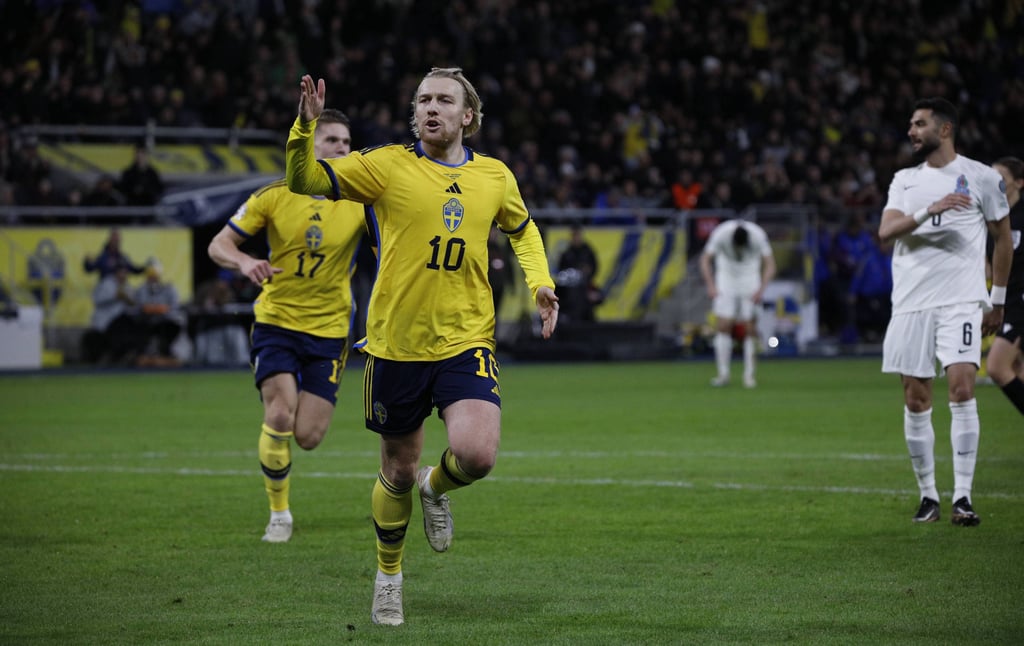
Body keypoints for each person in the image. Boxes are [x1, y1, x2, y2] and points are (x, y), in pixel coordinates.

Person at [287, 68, 559, 626]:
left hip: (466, 337)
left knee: (478, 455)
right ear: (415, 114)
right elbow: (306, 182)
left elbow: (523, 228)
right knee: (397, 468)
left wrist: (541, 283)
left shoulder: (494, 176)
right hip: (396, 345)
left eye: (444, 100)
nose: (431, 108)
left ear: (468, 117)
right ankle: (389, 577)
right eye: (423, 100)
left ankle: (437, 487)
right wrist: (303, 128)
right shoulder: (385, 166)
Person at [208, 108, 369, 543]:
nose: (341, 149)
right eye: (332, 140)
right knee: (279, 413)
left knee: (309, 436)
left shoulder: (358, 203)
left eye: (346, 143)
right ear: (310, 146)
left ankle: (282, 481)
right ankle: (279, 514)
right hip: (276, 320)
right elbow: (219, 243)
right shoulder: (274, 195)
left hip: (331, 328)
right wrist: (244, 262)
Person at [878, 98, 1012, 526]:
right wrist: (927, 211)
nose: (912, 132)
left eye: (919, 124)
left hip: (960, 300)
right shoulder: (905, 180)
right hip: (912, 303)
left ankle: (964, 498)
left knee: (961, 388)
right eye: (910, 125)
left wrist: (998, 299)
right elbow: (886, 231)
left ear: (945, 128)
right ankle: (928, 496)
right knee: (916, 398)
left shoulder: (982, 178)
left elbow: (1003, 240)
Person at [699, 218, 776, 388]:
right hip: (726, 277)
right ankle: (723, 375)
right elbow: (705, 259)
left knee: (750, 327)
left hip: (750, 278)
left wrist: (761, 289)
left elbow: (770, 264)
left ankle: (749, 376)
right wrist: (711, 285)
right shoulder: (720, 234)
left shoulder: (758, 235)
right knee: (724, 325)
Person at [985, 156, 1024, 415]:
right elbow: (990, 268)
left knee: (997, 367)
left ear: (1019, 183)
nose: (994, 184)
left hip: (1020, 303)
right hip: (1005, 302)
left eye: (1001, 179)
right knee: (1019, 371)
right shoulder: (993, 219)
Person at [133, 260, 184, 367]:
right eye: (150, 275)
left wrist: (159, 309)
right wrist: (155, 309)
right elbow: (139, 308)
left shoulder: (168, 288)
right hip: (146, 323)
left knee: (172, 326)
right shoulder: (141, 290)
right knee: (138, 327)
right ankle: (142, 354)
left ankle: (166, 353)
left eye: (154, 275)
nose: (152, 278)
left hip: (164, 323)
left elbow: (174, 307)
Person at [556, 222, 600, 323]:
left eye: (578, 234)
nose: (576, 237)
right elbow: (561, 271)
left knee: (593, 298)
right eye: (574, 235)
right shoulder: (567, 252)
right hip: (568, 290)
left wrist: (587, 273)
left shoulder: (587, 251)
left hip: (584, 287)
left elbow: (594, 268)